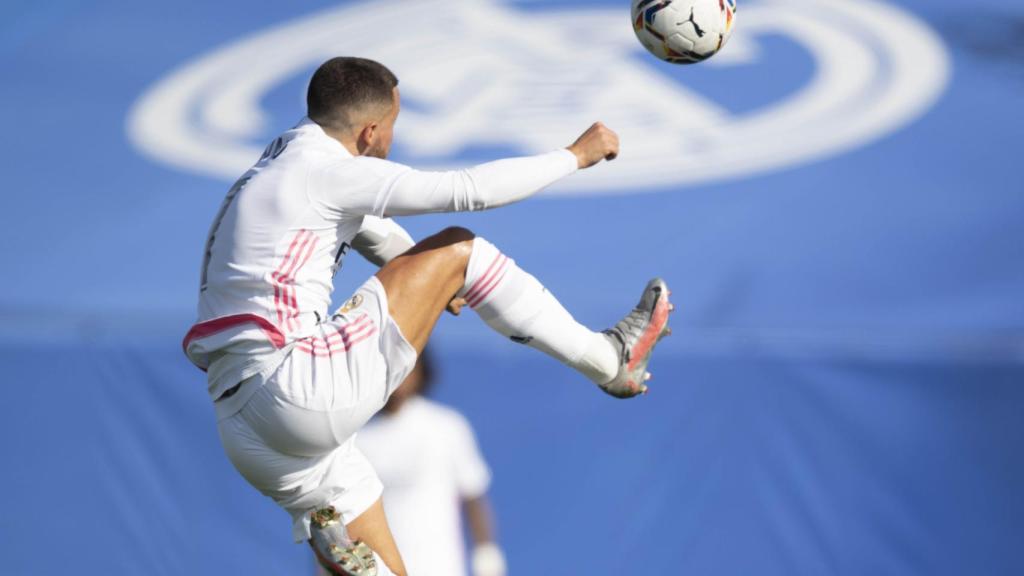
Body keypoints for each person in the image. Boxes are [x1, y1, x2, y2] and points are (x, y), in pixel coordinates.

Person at [182, 56, 673, 576]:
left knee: (383, 549)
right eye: (393, 126)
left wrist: (437, 283)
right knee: (462, 248)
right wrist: (573, 156)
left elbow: (369, 228)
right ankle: (610, 362)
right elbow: (468, 191)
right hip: (295, 385)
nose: (392, 139)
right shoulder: (330, 172)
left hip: (243, 428)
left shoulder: (281, 162)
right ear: (370, 131)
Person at [313, 350, 506, 576]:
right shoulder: (355, 441)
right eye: (388, 369)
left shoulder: (447, 427)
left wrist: (486, 552)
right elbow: (337, 517)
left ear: (421, 371)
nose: (398, 376)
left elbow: (473, 495)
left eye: (405, 367)